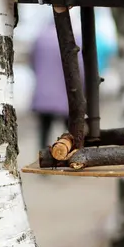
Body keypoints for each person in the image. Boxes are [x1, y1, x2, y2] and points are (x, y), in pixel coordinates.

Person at [29, 19, 84, 149]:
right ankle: (72, 152)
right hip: (65, 93)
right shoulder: (74, 39)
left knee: (44, 130)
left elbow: (32, 61)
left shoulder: (40, 38)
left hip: (43, 93)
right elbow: (80, 68)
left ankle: (41, 155)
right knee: (72, 130)